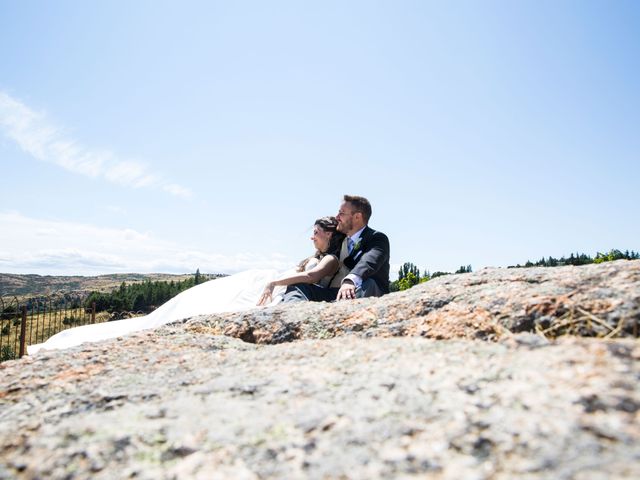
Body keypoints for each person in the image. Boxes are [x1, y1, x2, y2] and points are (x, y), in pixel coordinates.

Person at [27, 215, 346, 354]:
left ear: (329, 236)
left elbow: (310, 278)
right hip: (269, 282)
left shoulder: (329, 259)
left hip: (277, 290)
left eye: (316, 232)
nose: (312, 236)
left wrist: (273, 280)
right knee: (201, 297)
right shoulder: (315, 253)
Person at [283, 195, 390, 302]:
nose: (337, 217)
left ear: (357, 217)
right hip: (339, 293)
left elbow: (369, 261)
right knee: (299, 287)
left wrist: (350, 280)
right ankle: (290, 314)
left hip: (365, 291)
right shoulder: (341, 241)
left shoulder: (376, 238)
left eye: (341, 213)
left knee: (369, 283)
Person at [257, 216, 346, 305]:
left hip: (325, 296)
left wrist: (273, 283)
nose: (312, 237)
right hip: (308, 294)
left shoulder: (331, 259)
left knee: (298, 286)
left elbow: (310, 276)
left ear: (328, 234)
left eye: (316, 232)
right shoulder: (319, 258)